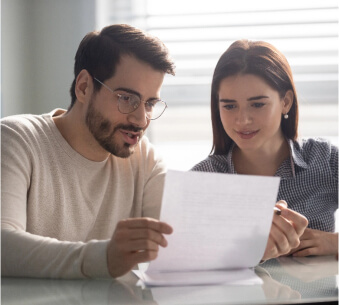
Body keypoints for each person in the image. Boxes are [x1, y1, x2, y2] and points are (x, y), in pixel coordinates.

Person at [1, 24, 175, 279]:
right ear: (83, 87)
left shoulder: (145, 160)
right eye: (127, 98)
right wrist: (102, 258)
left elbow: (180, 243)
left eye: (149, 103)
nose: (141, 119)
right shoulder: (15, 140)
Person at [192, 39, 338, 259]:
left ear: (286, 102)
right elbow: (186, 265)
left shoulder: (325, 159)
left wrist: (334, 242)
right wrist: (248, 252)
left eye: (258, 104)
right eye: (229, 106)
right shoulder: (202, 180)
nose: (242, 120)